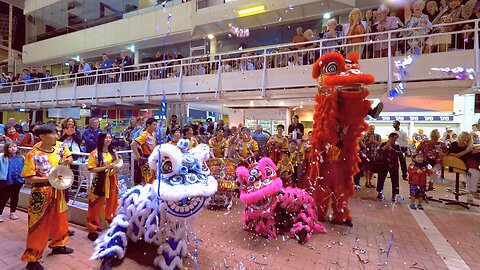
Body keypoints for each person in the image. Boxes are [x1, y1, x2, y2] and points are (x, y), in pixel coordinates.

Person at [20, 123, 74, 270]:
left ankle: (58, 245)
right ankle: (32, 259)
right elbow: (28, 178)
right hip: (41, 193)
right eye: (54, 133)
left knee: (60, 219)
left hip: (59, 190)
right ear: (43, 136)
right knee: (38, 225)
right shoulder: (34, 155)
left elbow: (69, 159)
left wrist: (64, 165)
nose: (58, 135)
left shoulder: (60, 148)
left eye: (57, 133)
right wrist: (50, 177)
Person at [86, 133, 120, 241]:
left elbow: (117, 164)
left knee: (113, 203)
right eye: (106, 138)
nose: (108, 139)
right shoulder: (94, 154)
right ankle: (92, 229)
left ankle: (112, 224)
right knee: (95, 205)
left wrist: (116, 168)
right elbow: (91, 169)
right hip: (99, 181)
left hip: (112, 180)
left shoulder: (113, 152)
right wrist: (106, 167)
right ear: (101, 139)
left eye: (110, 137)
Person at [448, 131, 480, 204]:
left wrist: (472, 149)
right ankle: (473, 192)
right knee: (475, 173)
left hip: (466, 165)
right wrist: (467, 151)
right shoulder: (454, 144)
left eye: (466, 138)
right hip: (457, 164)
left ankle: (470, 198)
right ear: (459, 136)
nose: (464, 139)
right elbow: (454, 156)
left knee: (471, 175)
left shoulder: (467, 146)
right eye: (462, 137)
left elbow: (474, 147)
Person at [0, 142, 24, 222]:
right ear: (7, 149)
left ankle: (13, 212)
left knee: (15, 196)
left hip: (18, 181)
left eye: (14, 146)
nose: (13, 148)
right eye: (10, 147)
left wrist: (24, 179)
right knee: (3, 197)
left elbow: (23, 169)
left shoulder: (21, 157)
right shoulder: (2, 157)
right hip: (6, 181)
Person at [131, 118, 157, 185]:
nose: (155, 127)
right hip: (146, 160)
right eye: (154, 125)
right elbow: (133, 144)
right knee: (147, 181)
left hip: (152, 160)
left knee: (152, 180)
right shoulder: (144, 135)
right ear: (148, 125)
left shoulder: (152, 135)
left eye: (156, 125)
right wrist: (139, 157)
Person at [376, 133, 401, 202]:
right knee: (381, 178)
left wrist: (392, 149)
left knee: (395, 180)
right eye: (393, 138)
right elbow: (378, 151)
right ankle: (380, 192)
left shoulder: (397, 146)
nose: (394, 140)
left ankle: (394, 194)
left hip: (394, 165)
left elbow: (400, 154)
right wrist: (386, 146)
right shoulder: (383, 144)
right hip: (383, 164)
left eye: (396, 138)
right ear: (389, 137)